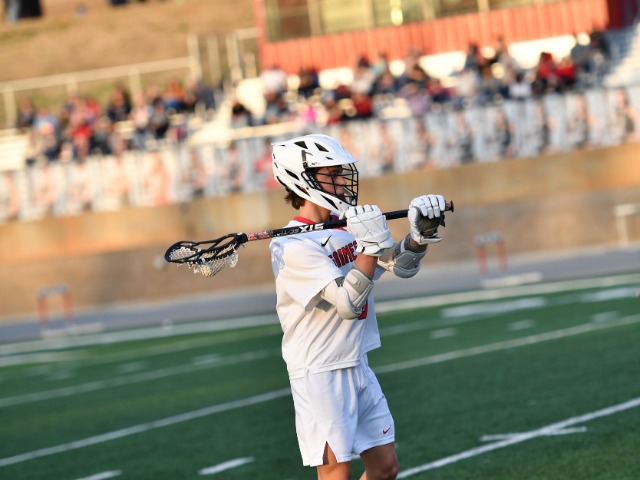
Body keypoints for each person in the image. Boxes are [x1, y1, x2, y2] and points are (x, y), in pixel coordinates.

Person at [269, 134, 447, 480]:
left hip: (355, 361)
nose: (342, 181)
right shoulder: (291, 245)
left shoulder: (343, 225)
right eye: (331, 174)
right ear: (301, 180)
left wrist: (418, 238)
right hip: (320, 370)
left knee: (385, 468)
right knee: (336, 474)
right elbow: (347, 301)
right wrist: (368, 246)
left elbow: (397, 265)